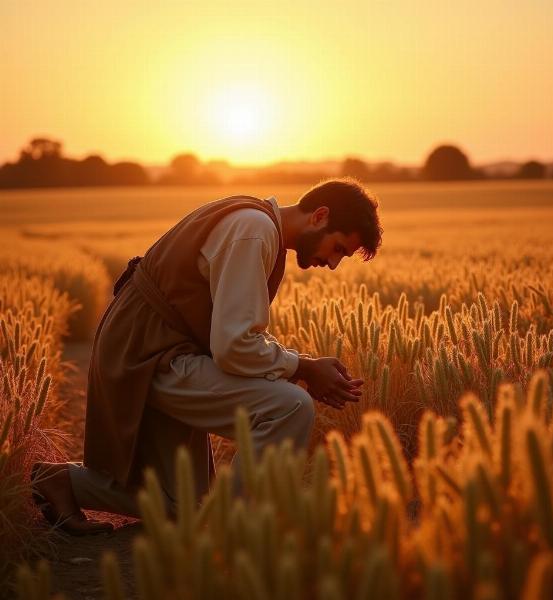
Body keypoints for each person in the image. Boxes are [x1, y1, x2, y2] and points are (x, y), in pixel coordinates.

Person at [31, 177, 383, 534]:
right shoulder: (255, 230)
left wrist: (296, 366)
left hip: (146, 351)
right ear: (320, 216)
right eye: (339, 248)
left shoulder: (258, 225)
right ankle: (237, 529)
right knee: (290, 406)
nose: (335, 263)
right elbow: (234, 347)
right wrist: (303, 367)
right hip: (151, 356)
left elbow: (230, 340)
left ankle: (63, 482)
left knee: (180, 504)